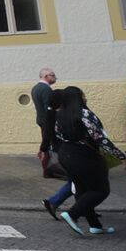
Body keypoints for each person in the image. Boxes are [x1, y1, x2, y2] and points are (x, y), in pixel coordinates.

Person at [55, 86, 126, 235]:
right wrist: (120, 155)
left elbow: (57, 134)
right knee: (100, 190)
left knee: (82, 190)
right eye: (83, 95)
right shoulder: (84, 113)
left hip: (66, 154)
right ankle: (73, 214)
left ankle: (95, 225)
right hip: (84, 155)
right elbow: (99, 137)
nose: (85, 98)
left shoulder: (61, 114)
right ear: (78, 98)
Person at [40, 88, 73, 220]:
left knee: (76, 181)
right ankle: (54, 202)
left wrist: (43, 149)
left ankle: (86, 208)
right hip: (68, 152)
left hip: (59, 151)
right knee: (77, 181)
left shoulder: (50, 115)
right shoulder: (62, 116)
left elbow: (47, 135)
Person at [32, 68, 63, 178]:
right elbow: (48, 109)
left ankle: (49, 169)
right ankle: (49, 170)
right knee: (50, 145)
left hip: (42, 121)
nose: (55, 78)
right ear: (45, 76)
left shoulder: (36, 88)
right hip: (47, 122)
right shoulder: (46, 89)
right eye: (53, 75)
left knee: (47, 144)